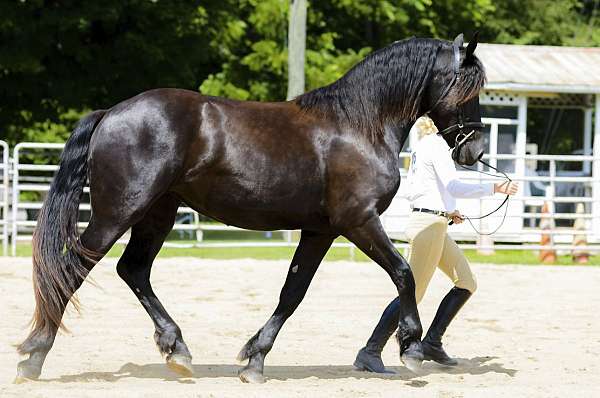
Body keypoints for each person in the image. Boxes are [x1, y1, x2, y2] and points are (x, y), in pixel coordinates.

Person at [354, 116, 519, 372]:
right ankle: (371, 350)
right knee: (413, 293)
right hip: (429, 226)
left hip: (435, 222)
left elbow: (430, 187)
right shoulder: (438, 146)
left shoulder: (426, 144)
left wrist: (449, 210)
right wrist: (495, 187)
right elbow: (453, 185)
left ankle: (432, 342)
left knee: (466, 282)